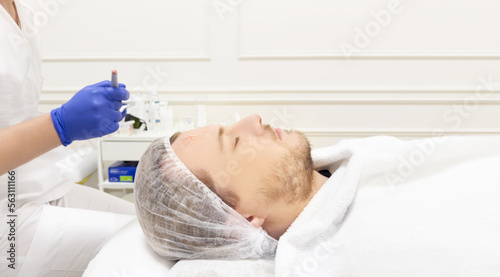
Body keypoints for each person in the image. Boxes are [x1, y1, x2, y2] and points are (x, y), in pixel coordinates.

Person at [135, 113, 500, 276]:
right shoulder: (357, 257)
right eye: (234, 141)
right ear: (240, 220)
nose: (254, 119)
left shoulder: (362, 159)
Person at [0, 0, 135, 276]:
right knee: (152, 242)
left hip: (37, 186)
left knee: (155, 224)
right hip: (8, 220)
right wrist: (59, 125)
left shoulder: (22, 12)